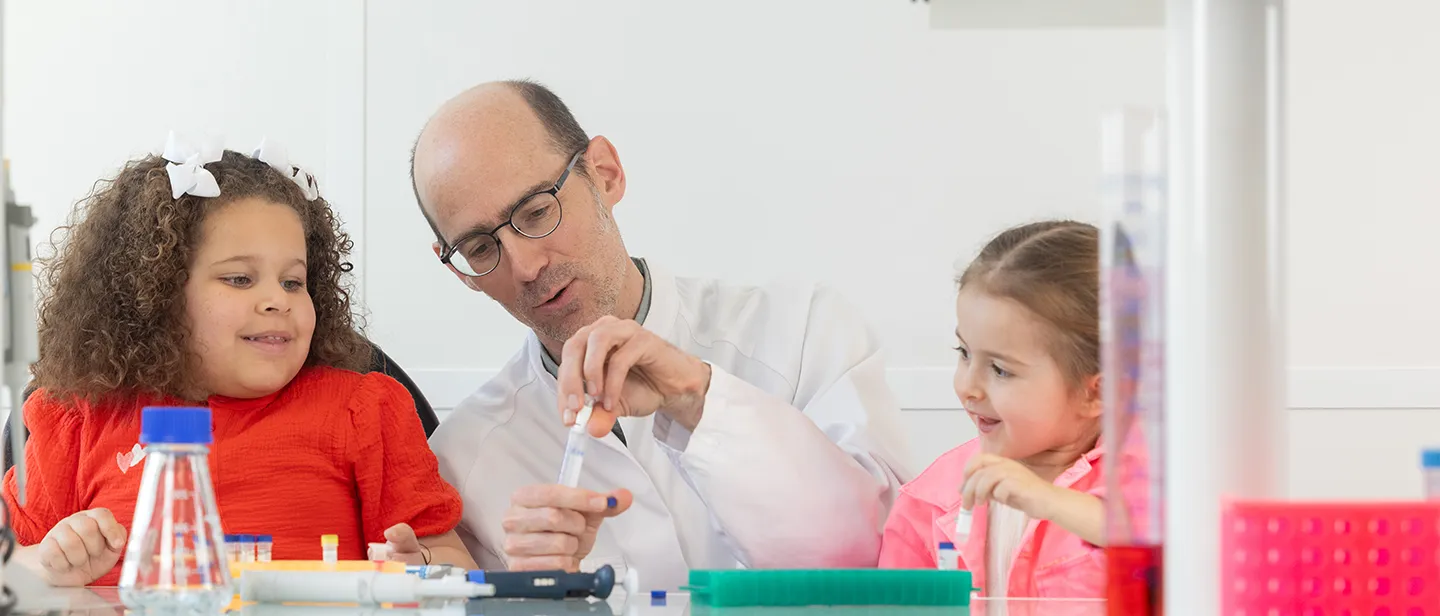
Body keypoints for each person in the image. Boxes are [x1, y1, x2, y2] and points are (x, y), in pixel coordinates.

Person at [415, 81, 912, 588]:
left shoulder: (803, 332)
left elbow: (886, 552)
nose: (524, 265)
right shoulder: (462, 460)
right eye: (479, 247)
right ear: (457, 271)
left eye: (537, 212)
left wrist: (697, 397)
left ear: (605, 174)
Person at [2, 136, 475, 586]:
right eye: (240, 279)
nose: (277, 300)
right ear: (156, 295)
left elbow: (454, 561)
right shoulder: (75, 421)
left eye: (293, 282)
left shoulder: (364, 411)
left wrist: (421, 565)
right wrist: (45, 564)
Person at [878, 220, 1119, 599]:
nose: (968, 387)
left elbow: (1176, 546)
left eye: (1000, 370)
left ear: (1096, 393)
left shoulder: (1151, 485)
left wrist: (1051, 501)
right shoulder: (930, 503)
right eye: (964, 353)